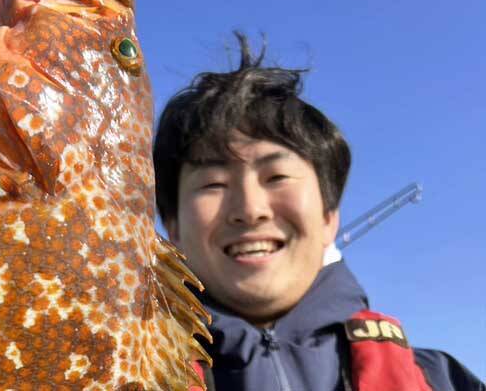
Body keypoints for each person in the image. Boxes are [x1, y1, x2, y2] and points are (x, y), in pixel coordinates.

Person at [153, 32, 485, 390]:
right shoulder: (120, 375)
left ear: (329, 216)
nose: (250, 210)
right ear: (172, 227)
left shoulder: (444, 381)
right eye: (213, 184)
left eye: (277, 177)